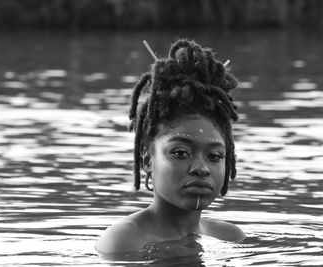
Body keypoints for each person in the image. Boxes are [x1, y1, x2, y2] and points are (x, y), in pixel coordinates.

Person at [95, 39, 245, 254]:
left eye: (214, 156)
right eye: (180, 153)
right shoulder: (124, 242)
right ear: (148, 161)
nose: (201, 168)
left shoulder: (230, 237)